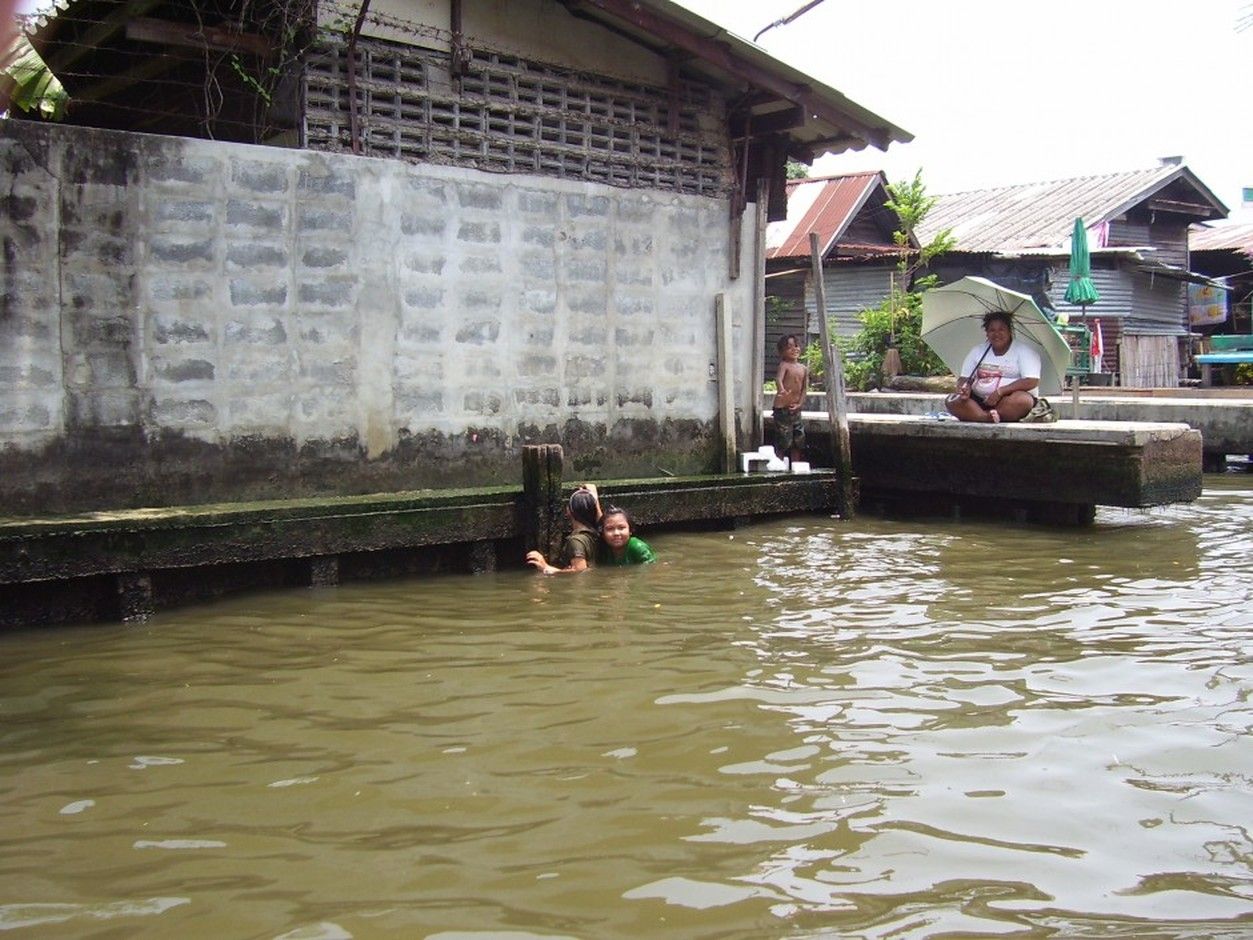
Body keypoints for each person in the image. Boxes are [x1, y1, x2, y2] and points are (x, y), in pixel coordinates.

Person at [945, 310, 1041, 423]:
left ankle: (984, 415)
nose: (996, 334)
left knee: (1023, 401)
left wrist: (1000, 392)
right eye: (992, 330)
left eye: (1001, 329)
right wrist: (964, 388)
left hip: (1008, 401)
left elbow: (1031, 381)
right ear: (986, 333)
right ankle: (985, 417)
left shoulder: (1024, 352)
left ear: (1010, 331)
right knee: (952, 401)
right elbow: (965, 378)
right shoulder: (978, 351)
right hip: (978, 402)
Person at [525, 485, 602, 575]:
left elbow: (580, 571)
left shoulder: (576, 541)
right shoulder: (596, 533)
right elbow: (602, 522)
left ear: (569, 510)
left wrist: (546, 567)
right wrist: (594, 498)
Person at [772, 334, 808, 462]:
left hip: (796, 409)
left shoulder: (803, 368)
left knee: (798, 439)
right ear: (782, 352)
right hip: (782, 409)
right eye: (789, 347)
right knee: (783, 439)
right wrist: (782, 390)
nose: (794, 349)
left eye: (796, 346)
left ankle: (796, 464)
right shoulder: (784, 365)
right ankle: (779, 463)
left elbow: (804, 389)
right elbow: (778, 379)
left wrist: (800, 404)